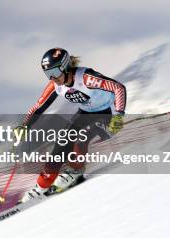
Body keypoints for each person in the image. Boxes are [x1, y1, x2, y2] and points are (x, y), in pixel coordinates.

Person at [19, 47, 126, 203]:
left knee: (81, 135)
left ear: (66, 67)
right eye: (48, 74)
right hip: (85, 114)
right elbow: (38, 107)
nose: (52, 78)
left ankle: (76, 170)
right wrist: (24, 126)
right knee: (61, 143)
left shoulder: (86, 78)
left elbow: (118, 88)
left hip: (107, 116)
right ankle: (41, 186)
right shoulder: (56, 86)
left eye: (54, 72)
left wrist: (119, 115)